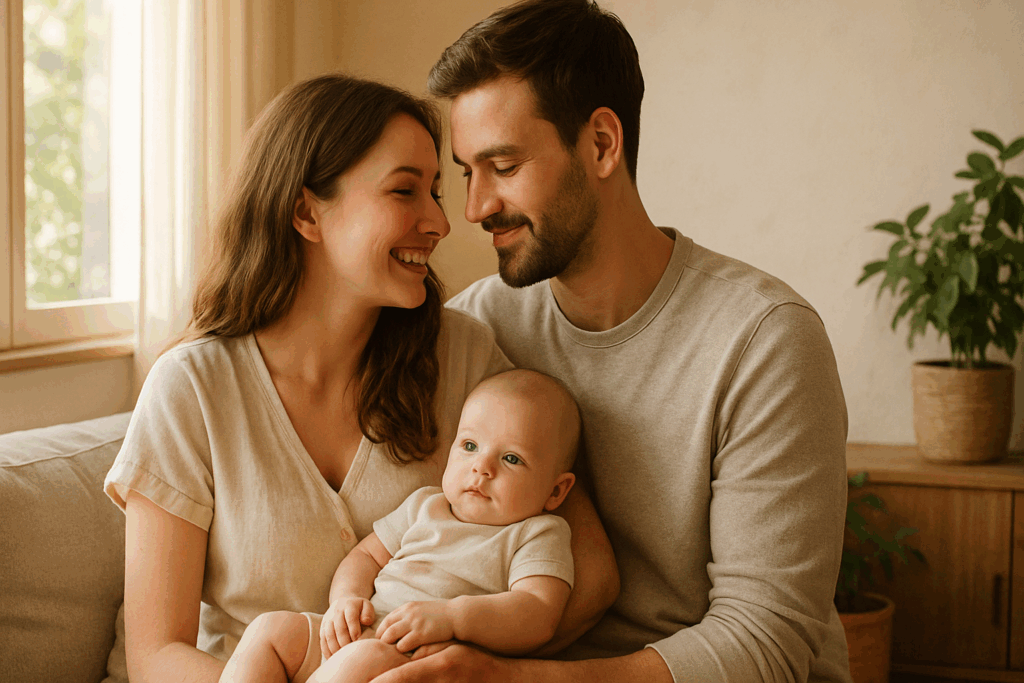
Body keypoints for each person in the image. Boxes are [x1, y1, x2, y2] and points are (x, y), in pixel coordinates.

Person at [367, 1, 852, 682]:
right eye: (467, 173)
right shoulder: (481, 326)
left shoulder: (763, 340)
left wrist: (513, 679)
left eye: (502, 166)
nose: (474, 208)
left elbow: (767, 643)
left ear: (601, 144)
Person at [103, 74, 617, 682]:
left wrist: (472, 662)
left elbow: (590, 573)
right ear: (306, 213)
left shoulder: (463, 356)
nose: (440, 223)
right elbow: (155, 655)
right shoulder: (191, 388)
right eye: (404, 191)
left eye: (436, 192)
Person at [219, 369, 583, 683]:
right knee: (269, 631)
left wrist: (455, 617)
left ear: (555, 490)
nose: (481, 467)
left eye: (511, 458)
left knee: (363, 659)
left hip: (416, 661)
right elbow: (365, 555)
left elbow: (538, 613)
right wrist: (346, 599)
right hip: (360, 632)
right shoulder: (426, 504)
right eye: (470, 445)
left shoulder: (537, 534)